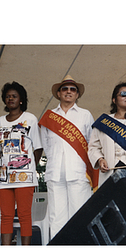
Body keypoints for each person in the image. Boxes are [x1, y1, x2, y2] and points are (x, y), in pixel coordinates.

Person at [39, 75, 96, 239]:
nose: (69, 92)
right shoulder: (49, 116)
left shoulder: (85, 115)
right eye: (65, 89)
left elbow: (91, 143)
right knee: (56, 218)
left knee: (80, 216)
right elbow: (47, 146)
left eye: (73, 89)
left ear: (77, 94)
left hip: (78, 173)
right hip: (55, 173)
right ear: (58, 93)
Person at [0, 81, 43, 245]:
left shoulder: (30, 119)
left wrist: (30, 166)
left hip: (25, 175)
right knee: (6, 215)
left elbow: (38, 147)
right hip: (4, 176)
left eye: (14, 96)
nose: (10, 99)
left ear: (21, 100)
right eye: (7, 96)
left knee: (24, 214)